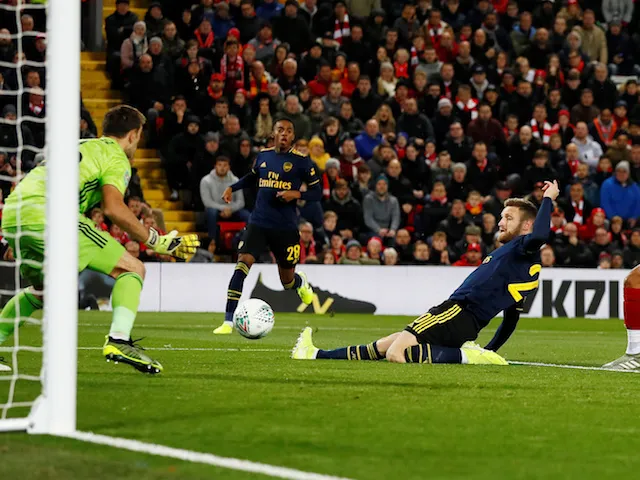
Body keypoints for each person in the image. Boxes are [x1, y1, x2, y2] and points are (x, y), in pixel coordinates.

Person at [0, 106, 199, 375]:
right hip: (50, 212)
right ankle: (119, 340)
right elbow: (113, 208)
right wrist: (156, 240)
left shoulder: (81, 145)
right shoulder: (116, 156)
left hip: (15, 212)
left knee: (43, 291)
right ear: (133, 135)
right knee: (133, 268)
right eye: (139, 137)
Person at [292, 180, 559, 365]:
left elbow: (540, 235)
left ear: (528, 227)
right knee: (382, 346)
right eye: (502, 216)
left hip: (456, 312)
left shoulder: (523, 247)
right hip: (464, 321)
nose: (501, 222)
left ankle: (467, 357)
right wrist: (491, 350)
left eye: (508, 218)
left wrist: (547, 199)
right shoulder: (523, 265)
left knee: (396, 353)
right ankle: (315, 355)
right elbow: (511, 319)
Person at [213, 118, 320, 335]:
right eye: (280, 130)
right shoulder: (263, 156)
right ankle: (228, 321)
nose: (284, 134)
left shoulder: (302, 162)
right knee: (242, 265)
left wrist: (295, 194)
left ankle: (300, 282)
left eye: (288, 131)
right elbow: (251, 178)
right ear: (273, 133)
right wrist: (232, 188)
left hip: (285, 227)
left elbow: (316, 193)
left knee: (287, 281)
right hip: (259, 223)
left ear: (293, 136)